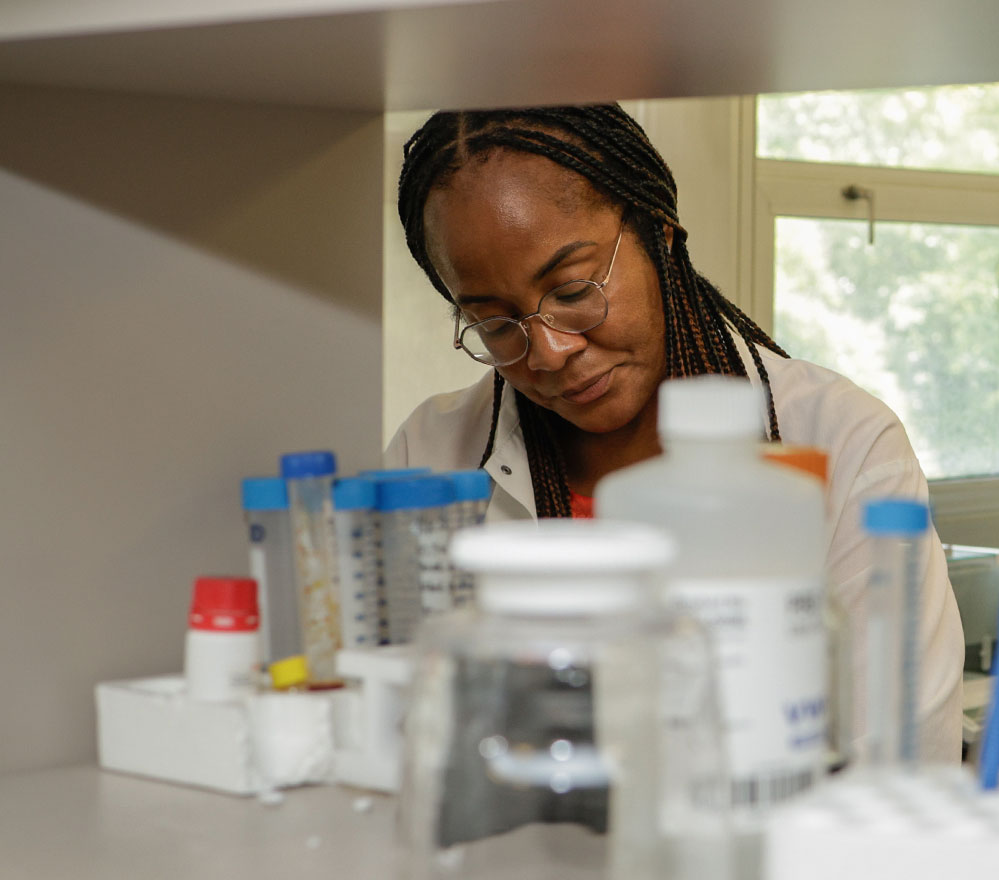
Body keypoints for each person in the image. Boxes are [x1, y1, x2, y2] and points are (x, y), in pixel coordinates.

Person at [384, 104, 963, 763]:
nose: (546, 351)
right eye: (494, 324)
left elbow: (901, 762)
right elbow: (396, 741)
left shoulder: (845, 443)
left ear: (659, 234)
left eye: (573, 289)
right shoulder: (428, 457)